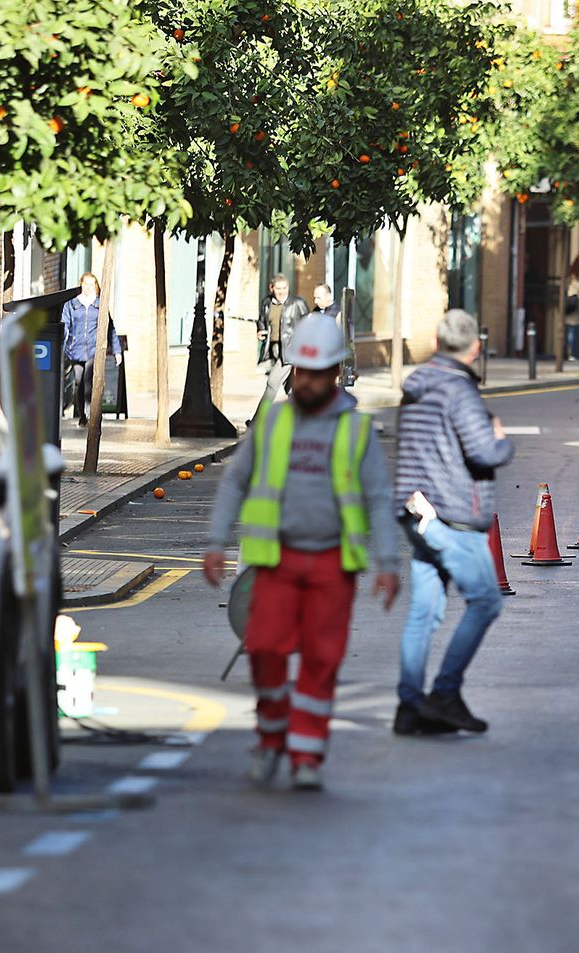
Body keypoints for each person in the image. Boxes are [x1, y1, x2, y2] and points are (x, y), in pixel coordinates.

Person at [204, 314, 399, 791]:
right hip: (277, 561)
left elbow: (378, 496)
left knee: (321, 657)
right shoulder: (271, 424)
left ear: (336, 372)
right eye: (300, 372)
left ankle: (306, 753)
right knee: (266, 646)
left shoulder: (355, 430)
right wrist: (215, 542)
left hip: (334, 564)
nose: (306, 381)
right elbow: (235, 481)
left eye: (316, 373)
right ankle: (271, 736)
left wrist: (389, 563)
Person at [393, 309, 515, 736]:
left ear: (435, 343)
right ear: (476, 348)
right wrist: (501, 438)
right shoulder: (458, 390)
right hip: (450, 518)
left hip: (416, 512)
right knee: (485, 601)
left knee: (424, 612)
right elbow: (483, 452)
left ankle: (409, 707)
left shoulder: (416, 387)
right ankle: (444, 693)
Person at [60, 272, 121, 427]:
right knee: (78, 382)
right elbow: (65, 325)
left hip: (93, 350)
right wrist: (62, 344)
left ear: (96, 286)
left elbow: (110, 328)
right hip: (75, 350)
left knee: (89, 380)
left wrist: (117, 350)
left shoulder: (100, 305)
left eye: (91, 284)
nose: (88, 287)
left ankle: (89, 413)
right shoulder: (72, 304)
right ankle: (82, 415)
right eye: (85, 284)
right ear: (80, 284)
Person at [256, 274, 310, 404]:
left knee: (272, 383)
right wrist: (260, 330)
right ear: (271, 288)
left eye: (284, 288)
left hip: (291, 350)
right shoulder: (267, 303)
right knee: (290, 389)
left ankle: (258, 420)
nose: (281, 292)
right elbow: (262, 320)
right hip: (274, 349)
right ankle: (303, 419)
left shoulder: (298, 303)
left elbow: (309, 325)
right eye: (278, 288)